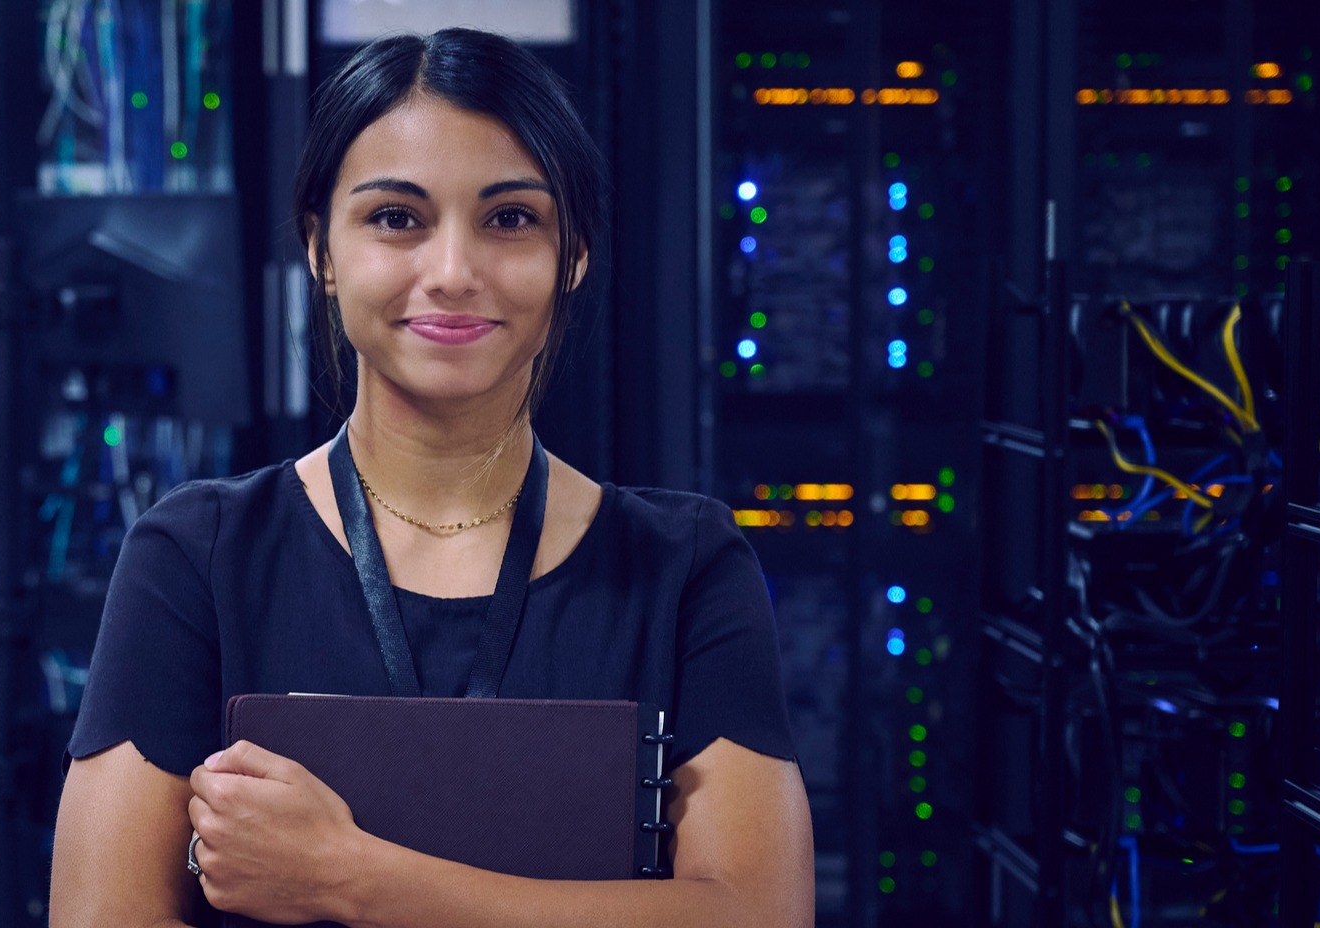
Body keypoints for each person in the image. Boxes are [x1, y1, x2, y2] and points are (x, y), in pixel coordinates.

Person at [50, 27, 813, 928]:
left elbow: (758, 914)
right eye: (396, 218)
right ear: (321, 251)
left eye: (510, 219)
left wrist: (349, 877)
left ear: (573, 255)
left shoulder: (683, 568)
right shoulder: (198, 556)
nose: (453, 273)